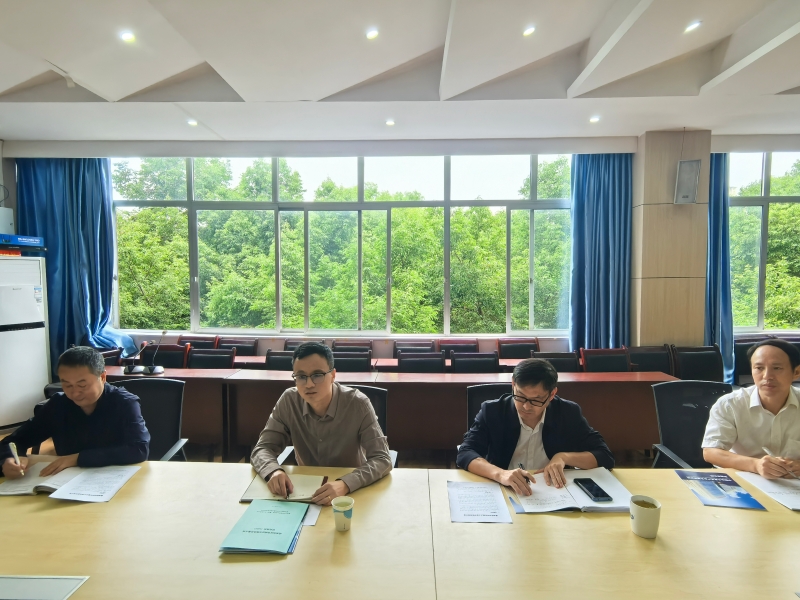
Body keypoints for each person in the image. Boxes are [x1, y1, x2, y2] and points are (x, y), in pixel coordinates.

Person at [251, 342, 392, 505]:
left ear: (333, 375)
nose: (309, 384)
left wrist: (345, 484)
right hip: (304, 492)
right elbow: (262, 449)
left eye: (317, 375)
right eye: (301, 376)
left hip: (350, 494)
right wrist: (274, 471)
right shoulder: (289, 401)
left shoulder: (358, 404)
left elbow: (382, 458)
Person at [456, 358, 614, 496]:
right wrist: (501, 474)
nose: (526, 406)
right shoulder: (492, 411)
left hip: (554, 492)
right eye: (520, 396)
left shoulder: (567, 412)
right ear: (513, 384)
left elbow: (604, 456)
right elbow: (465, 453)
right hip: (506, 490)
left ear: (552, 394)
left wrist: (563, 457)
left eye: (536, 400)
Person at [1, 346, 150, 479]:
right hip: (66, 481)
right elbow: (14, 441)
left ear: (102, 377)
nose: (75, 393)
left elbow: (139, 449)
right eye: (67, 385)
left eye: (82, 385)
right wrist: (9, 459)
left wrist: (76, 458)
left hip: (115, 478)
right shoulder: (58, 404)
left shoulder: (124, 403)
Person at [702, 339, 800, 478]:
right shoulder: (730, 404)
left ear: (796, 372)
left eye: (777, 368)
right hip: (741, 478)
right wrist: (755, 465)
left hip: (793, 483)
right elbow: (711, 452)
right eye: (759, 368)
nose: (767, 376)